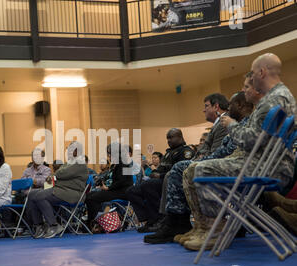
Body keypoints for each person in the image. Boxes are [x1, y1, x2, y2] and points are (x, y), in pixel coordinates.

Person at [184, 53, 296, 251]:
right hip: (270, 163)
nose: (249, 83)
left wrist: (232, 126)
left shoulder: (274, 100)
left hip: (267, 166)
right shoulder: (278, 96)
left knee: (200, 170)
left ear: (261, 72)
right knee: (196, 168)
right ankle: (207, 227)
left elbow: (250, 141)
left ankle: (215, 229)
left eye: (253, 75)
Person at [146, 90, 256, 245]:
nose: (228, 109)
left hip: (238, 165)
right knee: (182, 169)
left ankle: (204, 225)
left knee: (185, 169)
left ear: (240, 105)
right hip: (229, 161)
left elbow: (226, 150)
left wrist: (204, 160)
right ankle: (196, 225)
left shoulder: (238, 124)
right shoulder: (238, 123)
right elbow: (220, 149)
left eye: (231, 105)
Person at [126, 129, 194, 233]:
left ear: (180, 137)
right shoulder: (168, 153)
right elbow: (161, 168)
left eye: (171, 137)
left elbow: (182, 170)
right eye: (167, 138)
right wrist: (155, 173)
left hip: (173, 182)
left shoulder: (185, 151)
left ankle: (160, 219)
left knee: (148, 185)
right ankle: (150, 219)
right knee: (131, 191)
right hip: (159, 180)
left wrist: (159, 175)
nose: (169, 140)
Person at [29, 141, 89, 239]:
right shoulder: (68, 163)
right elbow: (58, 174)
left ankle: (53, 225)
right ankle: (39, 225)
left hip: (72, 193)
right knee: (31, 194)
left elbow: (61, 174)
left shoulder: (79, 163)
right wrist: (54, 175)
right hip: (60, 190)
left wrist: (54, 175)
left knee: (40, 196)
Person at [85, 142, 134, 227]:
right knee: (89, 195)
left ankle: (95, 223)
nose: (109, 156)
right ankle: (94, 221)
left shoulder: (124, 164)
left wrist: (108, 188)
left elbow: (122, 181)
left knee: (92, 198)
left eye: (110, 153)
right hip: (117, 190)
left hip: (123, 191)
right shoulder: (116, 164)